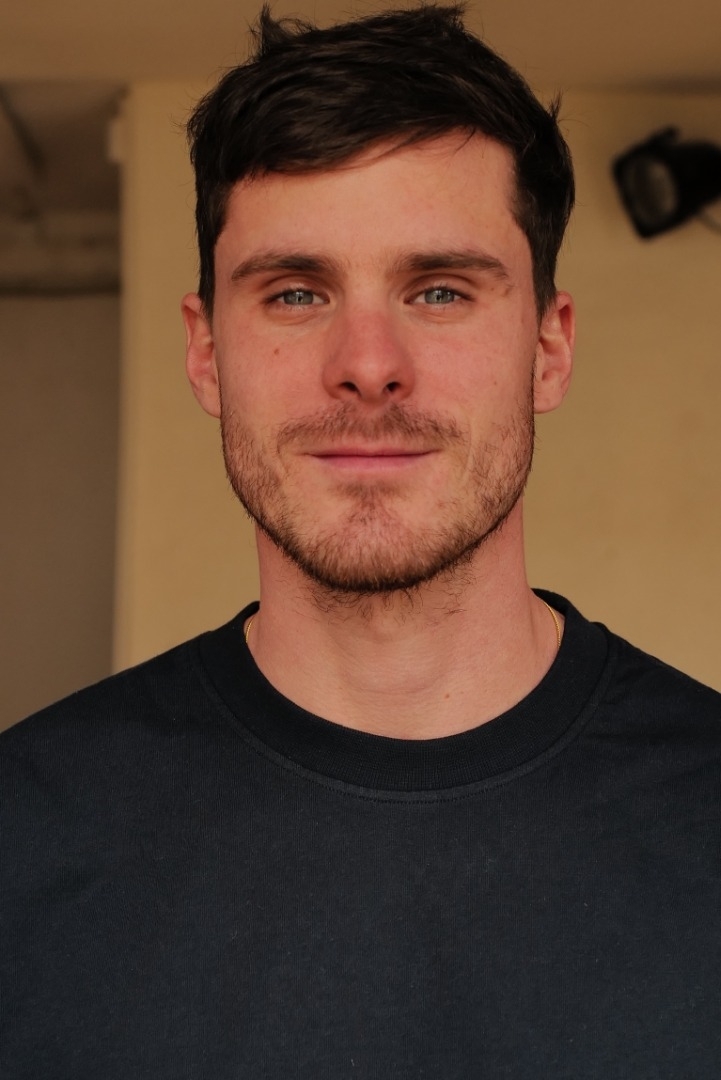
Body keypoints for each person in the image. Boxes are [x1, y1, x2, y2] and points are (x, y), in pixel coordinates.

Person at [2, 5, 720, 1076]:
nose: (369, 364)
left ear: (549, 347)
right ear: (205, 353)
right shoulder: (26, 836)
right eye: (296, 293)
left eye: (440, 290)